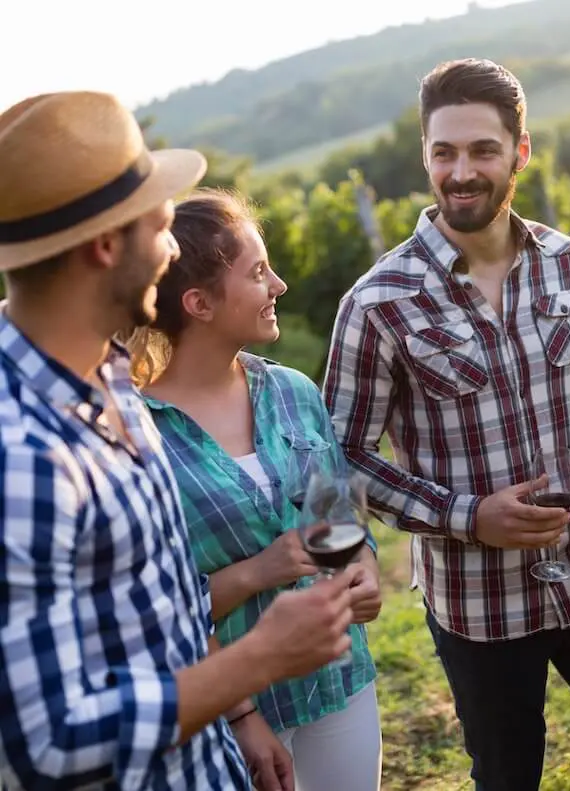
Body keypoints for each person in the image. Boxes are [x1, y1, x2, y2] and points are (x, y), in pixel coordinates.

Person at [323, 58, 570, 791]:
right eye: (443, 152)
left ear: (519, 153)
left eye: (482, 150)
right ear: (426, 156)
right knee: (507, 778)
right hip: (476, 600)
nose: (460, 172)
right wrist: (468, 516)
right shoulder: (378, 303)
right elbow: (342, 458)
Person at [0, 90, 357, 791]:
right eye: (162, 223)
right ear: (107, 246)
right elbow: (41, 746)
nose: (171, 247)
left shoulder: (112, 382)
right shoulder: (21, 456)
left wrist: (234, 709)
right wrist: (256, 659)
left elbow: (164, 605)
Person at [127, 188, 383, 791]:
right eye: (259, 272)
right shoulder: (141, 436)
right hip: (237, 711)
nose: (280, 286)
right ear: (199, 303)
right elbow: (153, 610)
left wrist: (364, 566)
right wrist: (255, 573)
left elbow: (340, 517)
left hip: (341, 679)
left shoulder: (294, 392)